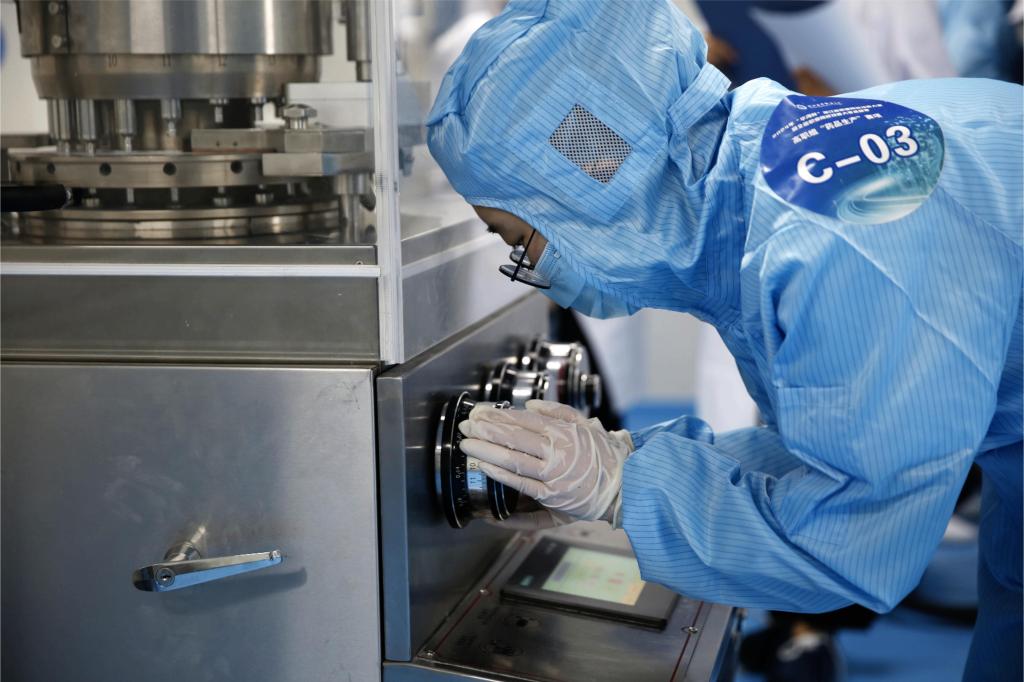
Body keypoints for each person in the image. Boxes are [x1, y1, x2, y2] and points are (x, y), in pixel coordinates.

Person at [425, 2, 1022, 680]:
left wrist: (621, 490)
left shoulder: (829, 247)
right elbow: (836, 439)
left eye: (518, 241)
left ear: (587, 194)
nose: (535, 272)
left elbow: (852, 538)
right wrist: (627, 457)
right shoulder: (767, 180)